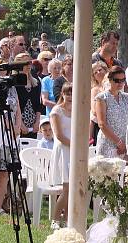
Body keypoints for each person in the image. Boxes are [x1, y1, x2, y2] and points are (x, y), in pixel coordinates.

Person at [0, 75, 26, 217]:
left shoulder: (12, 86)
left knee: (4, 173)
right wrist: (7, 124)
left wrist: (17, 127)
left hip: (12, 134)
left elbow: (18, 108)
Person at [49, 83, 73, 224]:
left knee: (73, 188)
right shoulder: (56, 111)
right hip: (63, 150)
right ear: (62, 94)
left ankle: (68, 219)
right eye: (67, 93)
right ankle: (55, 220)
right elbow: (59, 135)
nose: (70, 96)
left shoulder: (77, 110)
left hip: (74, 151)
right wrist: (75, 145)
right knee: (66, 188)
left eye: (72, 93)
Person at [95, 66, 128, 158]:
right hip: (108, 143)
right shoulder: (102, 98)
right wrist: (119, 143)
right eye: (117, 80)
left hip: (124, 143)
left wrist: (125, 143)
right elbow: (102, 124)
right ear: (110, 80)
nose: (120, 83)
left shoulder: (127, 97)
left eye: (123, 80)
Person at [12, 53, 44, 139]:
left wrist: (37, 122)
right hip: (17, 125)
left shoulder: (36, 81)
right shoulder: (13, 82)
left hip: (33, 127)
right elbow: (14, 106)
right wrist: (21, 125)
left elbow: (38, 104)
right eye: (25, 62)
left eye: (29, 62)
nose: (28, 65)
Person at [90, 61, 108, 145]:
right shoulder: (95, 90)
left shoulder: (113, 86)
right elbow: (94, 110)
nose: (98, 73)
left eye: (100, 70)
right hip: (99, 124)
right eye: (95, 72)